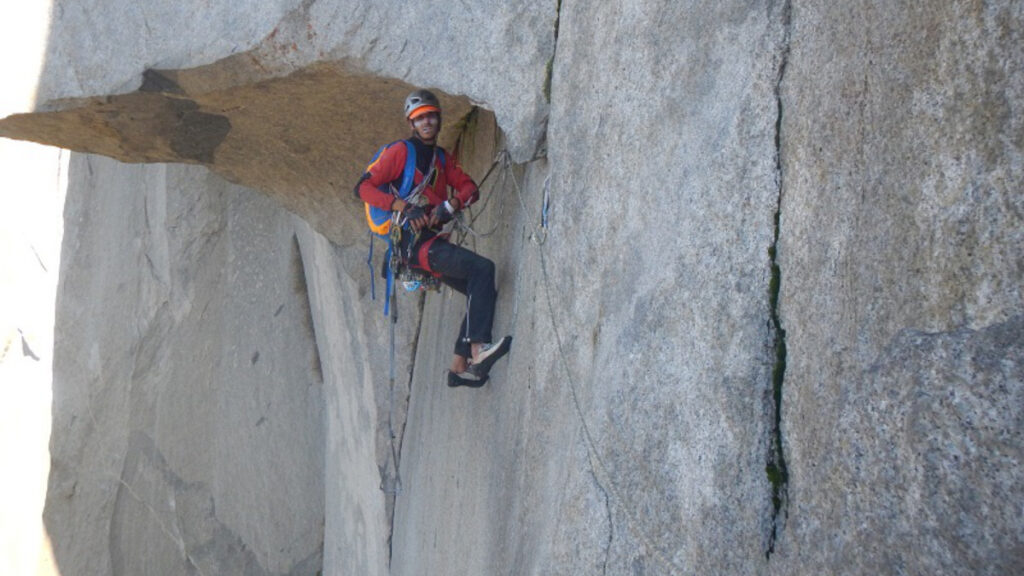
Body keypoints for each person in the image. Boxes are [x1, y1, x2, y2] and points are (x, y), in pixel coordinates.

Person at [355, 89, 512, 387]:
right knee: (483, 269)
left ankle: (458, 365)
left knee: (479, 289)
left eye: (430, 116)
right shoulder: (400, 152)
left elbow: (469, 188)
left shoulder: (441, 159)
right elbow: (363, 188)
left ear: (439, 119)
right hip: (413, 246)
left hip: (427, 246)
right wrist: (403, 207)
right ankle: (479, 350)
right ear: (411, 124)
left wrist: (449, 206)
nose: (426, 122)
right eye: (419, 118)